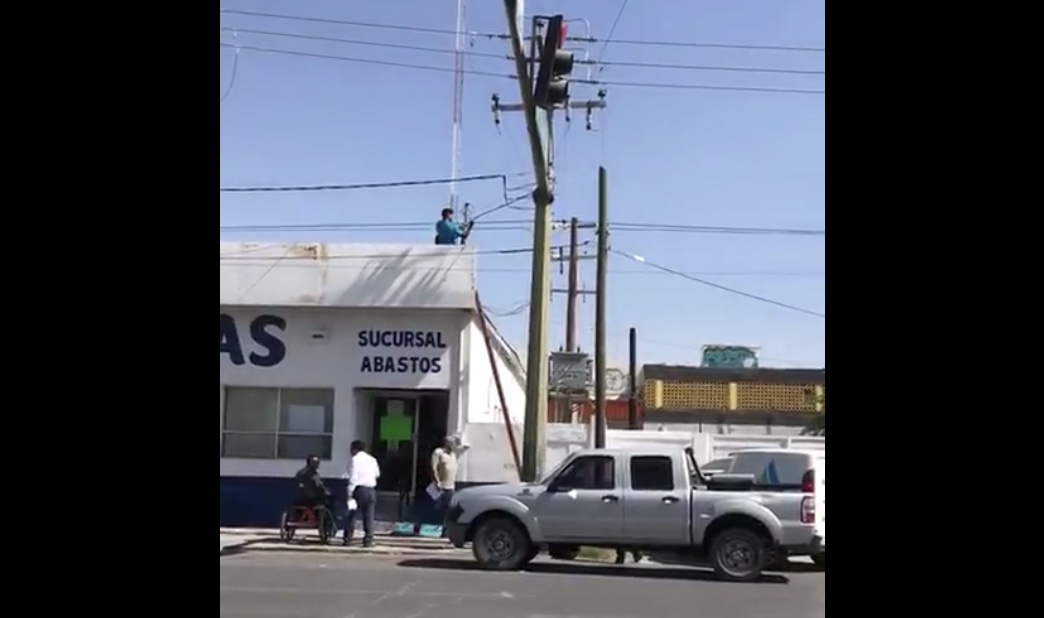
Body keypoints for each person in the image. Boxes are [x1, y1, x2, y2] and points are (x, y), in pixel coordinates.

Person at [343, 440, 381, 547]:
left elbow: (353, 477)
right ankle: (368, 540)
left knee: (352, 515)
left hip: (358, 490)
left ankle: (348, 539)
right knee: (369, 516)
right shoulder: (372, 460)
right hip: (371, 490)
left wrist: (350, 493)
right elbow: (377, 474)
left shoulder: (354, 460)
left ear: (354, 449)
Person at [430, 436, 459, 517]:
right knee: (437, 509)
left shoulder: (453, 454)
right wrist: (437, 481)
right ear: (447, 444)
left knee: (448, 509)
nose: (454, 446)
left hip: (451, 487)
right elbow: (433, 468)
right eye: (452, 444)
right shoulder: (438, 453)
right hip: (440, 487)